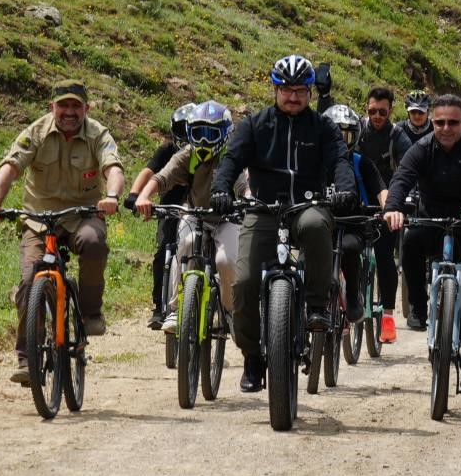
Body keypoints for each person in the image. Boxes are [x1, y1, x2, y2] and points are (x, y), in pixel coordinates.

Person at [211, 55, 357, 393]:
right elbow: (231, 160)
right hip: (263, 208)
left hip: (308, 205)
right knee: (245, 281)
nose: (293, 97)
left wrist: (346, 189)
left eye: (300, 91)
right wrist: (220, 189)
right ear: (275, 89)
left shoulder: (323, 128)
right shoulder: (255, 125)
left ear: (309, 92)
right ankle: (251, 358)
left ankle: (318, 306)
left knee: (318, 227)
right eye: (286, 90)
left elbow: (340, 160)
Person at [0, 80, 124, 384]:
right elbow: (10, 167)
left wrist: (111, 197)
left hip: (82, 215)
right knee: (28, 281)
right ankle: (25, 358)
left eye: (76, 106)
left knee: (93, 242)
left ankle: (89, 312)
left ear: (86, 108)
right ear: (53, 107)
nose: (69, 112)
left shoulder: (98, 134)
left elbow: (113, 168)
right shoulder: (35, 132)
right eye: (63, 106)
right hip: (39, 219)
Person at [383, 95, 461, 396]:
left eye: (453, 122)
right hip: (431, 223)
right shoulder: (421, 148)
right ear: (432, 122)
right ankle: (417, 303)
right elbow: (401, 179)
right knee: (411, 242)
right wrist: (393, 207)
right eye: (439, 122)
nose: (445, 128)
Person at [135, 101, 248, 332]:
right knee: (184, 246)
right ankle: (176, 310)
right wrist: (144, 196)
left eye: (211, 133)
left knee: (225, 261)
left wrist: (248, 199)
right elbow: (161, 177)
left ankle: (230, 310)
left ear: (225, 134)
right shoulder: (189, 153)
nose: (204, 140)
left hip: (228, 219)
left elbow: (245, 185)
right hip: (195, 214)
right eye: (198, 133)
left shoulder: (232, 156)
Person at [124, 103, 194, 329]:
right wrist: (135, 195)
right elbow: (149, 172)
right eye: (182, 131)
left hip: (196, 210)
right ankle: (158, 306)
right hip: (170, 208)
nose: (187, 136)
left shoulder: (205, 151)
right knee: (163, 250)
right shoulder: (167, 150)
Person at [322, 104, 388, 323]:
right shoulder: (314, 162)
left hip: (353, 225)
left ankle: (352, 296)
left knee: (349, 248)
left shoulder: (362, 163)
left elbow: (381, 190)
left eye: (347, 135)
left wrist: (389, 209)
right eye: (336, 134)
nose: (342, 141)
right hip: (321, 223)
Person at [357, 87, 413, 341]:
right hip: (357, 201)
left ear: (391, 110)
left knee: (384, 257)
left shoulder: (398, 137)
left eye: (382, 111)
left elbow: (408, 168)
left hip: (389, 203)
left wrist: (400, 200)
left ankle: (388, 316)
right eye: (372, 111)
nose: (377, 116)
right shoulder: (357, 130)